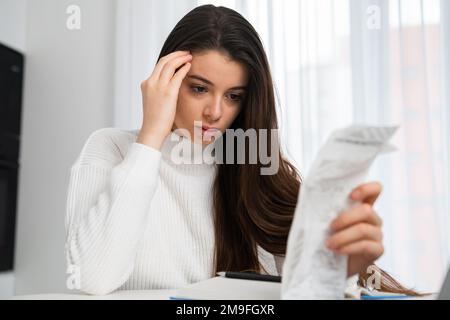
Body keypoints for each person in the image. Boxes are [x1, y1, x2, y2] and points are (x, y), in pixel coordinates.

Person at [65, 4, 417, 296]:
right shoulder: (111, 148)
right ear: (165, 81)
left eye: (234, 96)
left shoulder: (257, 169)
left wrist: (341, 269)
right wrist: (151, 136)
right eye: (199, 89)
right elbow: (92, 278)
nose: (215, 112)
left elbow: (303, 291)